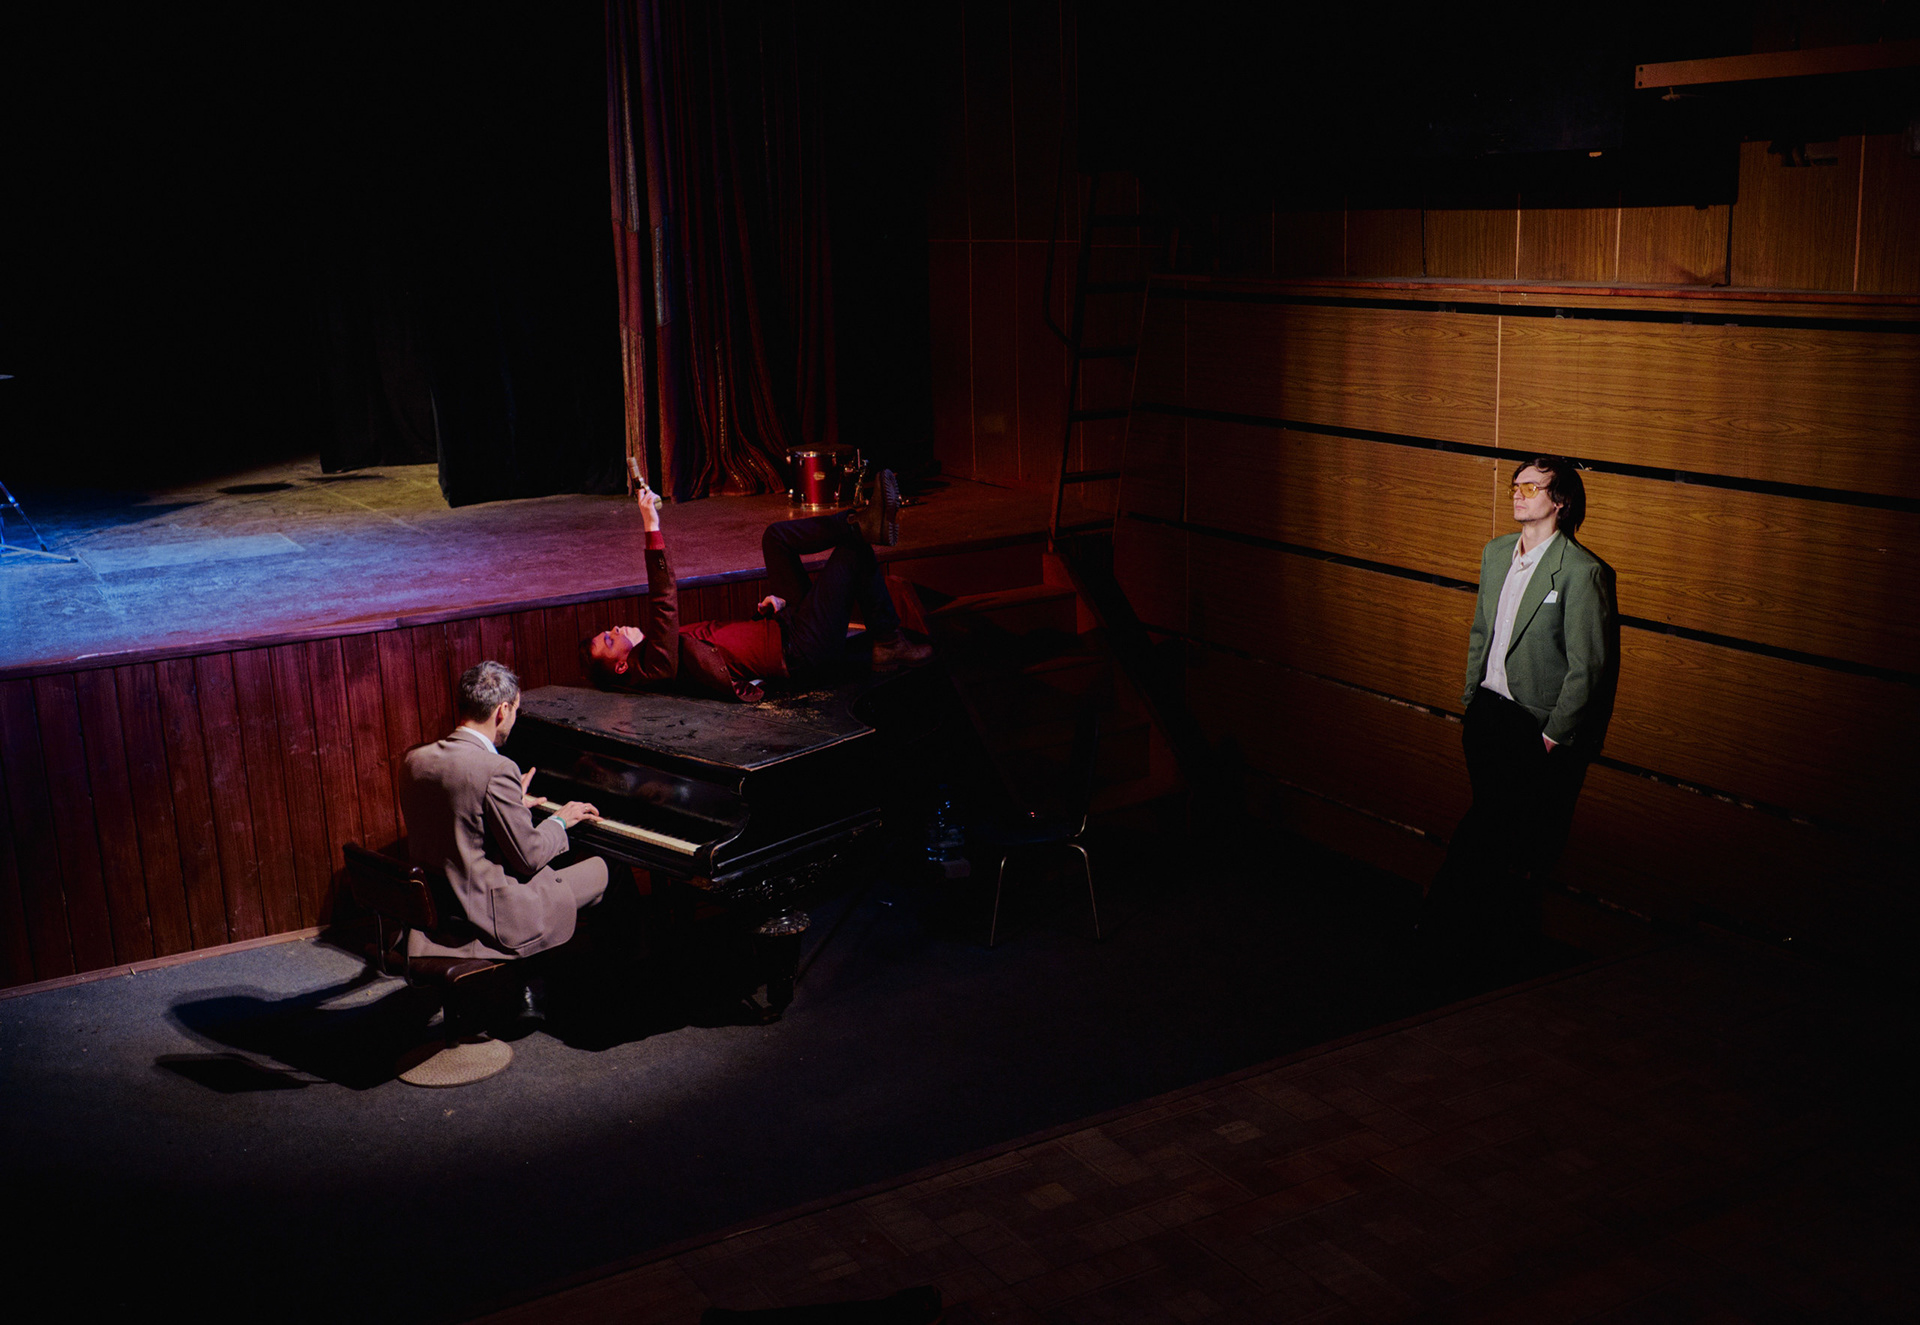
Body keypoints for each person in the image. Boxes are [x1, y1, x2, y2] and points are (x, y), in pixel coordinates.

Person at [1424, 456, 1617, 970]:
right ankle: (1477, 942)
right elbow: (1481, 632)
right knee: (1496, 832)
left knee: (1491, 832)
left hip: (1531, 727)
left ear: (1561, 502)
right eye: (1516, 484)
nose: (1518, 492)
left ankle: (1442, 931)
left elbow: (1589, 666)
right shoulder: (1495, 554)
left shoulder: (1582, 571)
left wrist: (1552, 736)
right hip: (1486, 715)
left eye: (1532, 487)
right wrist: (1471, 696)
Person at [582, 471, 930, 702]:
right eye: (609, 640)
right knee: (853, 552)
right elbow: (664, 602)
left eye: (608, 631)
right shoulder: (657, 667)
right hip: (801, 651)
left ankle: (857, 522)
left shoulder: (658, 655)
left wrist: (765, 614)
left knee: (776, 538)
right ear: (622, 666)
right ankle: (889, 641)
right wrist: (651, 526)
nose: (615, 629)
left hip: (784, 626)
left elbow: (728, 652)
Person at [399, 660, 611, 962]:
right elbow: (529, 857)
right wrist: (560, 820)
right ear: (503, 710)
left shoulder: (415, 759)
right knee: (606, 868)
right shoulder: (496, 769)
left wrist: (509, 804)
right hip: (492, 914)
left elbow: (457, 815)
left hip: (440, 909)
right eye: (515, 711)